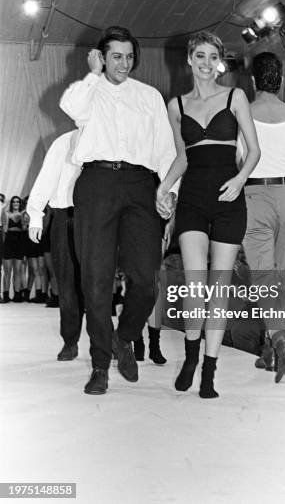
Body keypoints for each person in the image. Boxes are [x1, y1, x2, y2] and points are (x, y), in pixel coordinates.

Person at [60, 25, 177, 395]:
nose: (123, 63)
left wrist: (169, 191)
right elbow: (71, 107)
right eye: (115, 56)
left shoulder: (149, 96)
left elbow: (166, 151)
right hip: (96, 184)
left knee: (145, 280)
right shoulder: (89, 92)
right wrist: (92, 74)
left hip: (142, 186)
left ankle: (123, 337)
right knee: (95, 281)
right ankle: (99, 366)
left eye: (129, 57)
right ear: (101, 57)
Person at [156, 31, 260, 398]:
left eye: (211, 56)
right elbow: (183, 157)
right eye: (199, 55)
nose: (204, 62)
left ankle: (210, 371)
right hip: (193, 199)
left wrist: (240, 179)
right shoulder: (177, 106)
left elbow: (253, 151)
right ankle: (190, 354)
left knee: (219, 286)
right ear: (189, 59)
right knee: (195, 284)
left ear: (219, 61)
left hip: (229, 196)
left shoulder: (235, 96)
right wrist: (163, 186)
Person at [239, 51, 285, 382]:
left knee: (263, 275)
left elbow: (236, 159)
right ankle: (271, 349)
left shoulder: (240, 113)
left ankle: (281, 342)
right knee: (278, 274)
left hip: (254, 195)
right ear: (280, 80)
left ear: (253, 80)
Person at [27, 129, 84, 360]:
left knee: (98, 280)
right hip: (65, 215)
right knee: (67, 282)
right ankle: (70, 340)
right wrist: (36, 214)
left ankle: (105, 338)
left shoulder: (108, 138)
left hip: (98, 218)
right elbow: (47, 176)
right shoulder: (65, 141)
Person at [2, 196, 26, 302]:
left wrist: (23, 217)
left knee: (17, 271)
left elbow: (24, 228)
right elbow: (5, 230)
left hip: (19, 243)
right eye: (14, 202)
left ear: (20, 203)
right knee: (7, 271)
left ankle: (17, 295)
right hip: (8, 242)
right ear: (11, 203)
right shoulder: (6, 214)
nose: (16, 203)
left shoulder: (23, 214)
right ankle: (6, 295)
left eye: (17, 202)